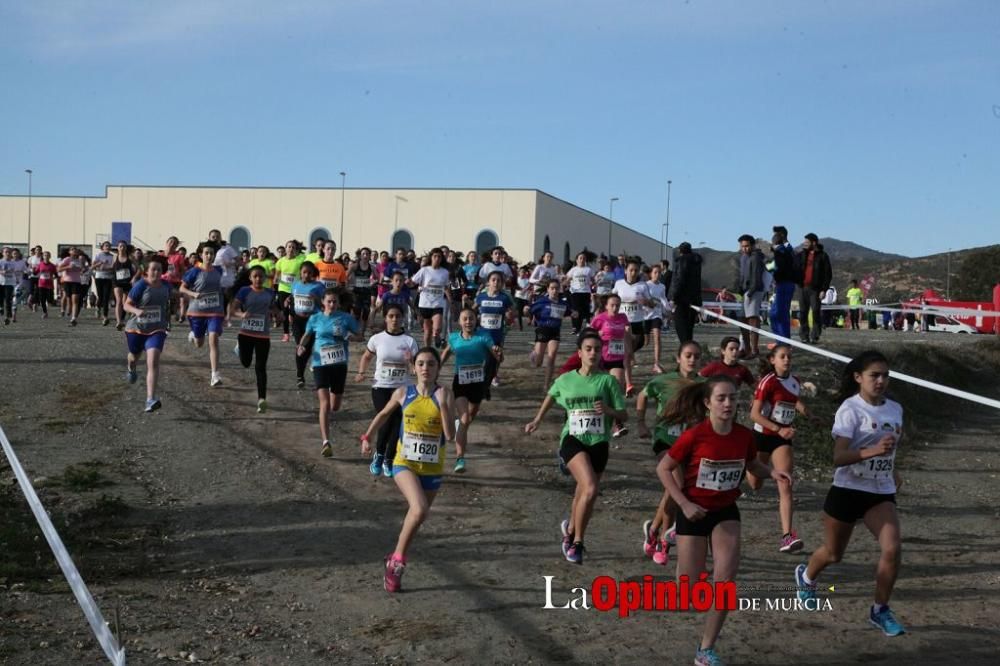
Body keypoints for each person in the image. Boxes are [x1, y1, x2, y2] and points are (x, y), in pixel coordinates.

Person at [658, 376, 790, 666]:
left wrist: (771, 472)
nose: (728, 403)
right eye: (721, 398)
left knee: (725, 582)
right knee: (689, 591)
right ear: (708, 403)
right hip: (693, 512)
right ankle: (676, 542)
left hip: (725, 512)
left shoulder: (744, 436)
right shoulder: (694, 436)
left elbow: (752, 463)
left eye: (732, 397)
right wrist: (683, 504)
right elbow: (664, 468)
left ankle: (705, 650)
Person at [796, 350, 905, 637]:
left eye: (885, 375)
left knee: (892, 548)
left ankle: (880, 610)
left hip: (879, 491)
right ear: (858, 377)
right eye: (874, 375)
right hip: (847, 490)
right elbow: (839, 457)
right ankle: (807, 577)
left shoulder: (895, 409)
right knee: (833, 554)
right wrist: (873, 451)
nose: (880, 381)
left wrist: (892, 470)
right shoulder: (850, 409)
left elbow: (889, 447)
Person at [524, 329, 627, 565]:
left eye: (597, 349)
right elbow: (552, 395)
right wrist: (537, 420)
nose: (593, 353)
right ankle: (577, 542)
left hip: (599, 442)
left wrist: (609, 411)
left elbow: (623, 414)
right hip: (572, 439)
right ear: (579, 353)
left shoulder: (608, 381)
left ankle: (570, 530)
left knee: (585, 493)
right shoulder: (566, 379)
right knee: (590, 487)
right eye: (588, 349)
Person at [360, 347, 456, 593]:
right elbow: (384, 414)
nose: (426, 368)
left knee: (417, 516)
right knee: (420, 508)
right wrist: (367, 436)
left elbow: (449, 435)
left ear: (438, 368)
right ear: (414, 368)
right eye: (421, 363)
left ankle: (394, 558)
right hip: (404, 463)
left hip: (432, 467)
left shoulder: (445, 394)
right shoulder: (404, 392)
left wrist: (443, 406)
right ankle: (398, 563)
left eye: (431, 364)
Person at [637, 340, 703, 565]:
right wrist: (641, 423)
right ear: (678, 358)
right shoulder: (663, 381)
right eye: (688, 355)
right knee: (678, 484)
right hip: (665, 440)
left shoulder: (704, 384)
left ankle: (654, 531)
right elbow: (643, 395)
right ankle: (664, 542)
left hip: (688, 443)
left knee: (672, 489)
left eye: (696, 356)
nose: (692, 360)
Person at [749, 343, 810, 552]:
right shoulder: (767, 382)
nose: (787, 360)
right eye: (782, 356)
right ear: (772, 360)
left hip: (782, 439)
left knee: (785, 482)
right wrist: (778, 428)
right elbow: (754, 414)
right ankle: (751, 467)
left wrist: (808, 413)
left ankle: (787, 536)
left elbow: (793, 400)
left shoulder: (795, 381)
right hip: (762, 436)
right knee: (755, 484)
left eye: (789, 357)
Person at [355, 303, 419, 477]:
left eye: (398, 316)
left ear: (402, 318)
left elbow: (416, 369)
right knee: (386, 421)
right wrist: (361, 372)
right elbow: (366, 357)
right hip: (381, 387)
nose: (394, 319)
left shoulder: (410, 341)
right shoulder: (377, 339)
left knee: (398, 425)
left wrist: (411, 361)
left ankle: (389, 459)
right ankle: (379, 456)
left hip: (403, 389)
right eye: (391, 316)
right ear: (385, 318)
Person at [299, 289, 362, 456]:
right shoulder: (315, 318)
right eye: (329, 301)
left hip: (339, 364)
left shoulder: (346, 318)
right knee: (325, 403)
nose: (332, 304)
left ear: (339, 303)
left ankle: (328, 416)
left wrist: (351, 337)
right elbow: (307, 335)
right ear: (323, 302)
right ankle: (326, 442)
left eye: (335, 301)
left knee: (335, 406)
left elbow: (360, 335)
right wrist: (301, 346)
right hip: (320, 363)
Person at [441, 308, 501, 473]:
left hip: (478, 383)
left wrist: (498, 353)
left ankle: (460, 429)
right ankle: (460, 458)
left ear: (476, 320)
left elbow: (497, 356)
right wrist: (436, 368)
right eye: (465, 319)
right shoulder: (454, 338)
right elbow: (446, 353)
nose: (468, 322)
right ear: (459, 322)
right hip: (460, 382)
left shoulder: (483, 336)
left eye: (471, 319)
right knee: (465, 418)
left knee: (468, 419)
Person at [122, 257, 172, 412]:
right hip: (136, 329)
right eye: (153, 269)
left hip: (157, 329)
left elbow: (174, 296)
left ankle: (150, 399)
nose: (156, 272)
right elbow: (126, 305)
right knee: (134, 356)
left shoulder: (166, 285)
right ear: (147, 271)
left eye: (159, 269)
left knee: (153, 361)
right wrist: (137, 311)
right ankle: (131, 367)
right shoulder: (141, 285)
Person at [230, 265, 278, 413]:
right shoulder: (244, 291)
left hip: (263, 335)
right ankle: (239, 348)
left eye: (261, 276)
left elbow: (274, 308)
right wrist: (241, 314)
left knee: (260, 367)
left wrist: (278, 314)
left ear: (265, 278)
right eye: (255, 276)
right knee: (246, 363)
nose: (258, 279)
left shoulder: (270, 292)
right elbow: (233, 310)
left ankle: (261, 399)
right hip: (246, 334)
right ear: (250, 278)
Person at [180, 244, 226, 387]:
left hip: (215, 311)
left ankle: (215, 375)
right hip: (197, 311)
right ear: (201, 255)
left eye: (211, 253)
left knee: (213, 338)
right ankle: (194, 335)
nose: (209, 256)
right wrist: (193, 294)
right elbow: (182, 288)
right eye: (206, 253)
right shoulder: (194, 271)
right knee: (199, 344)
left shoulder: (219, 270)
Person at [588, 293, 632, 436]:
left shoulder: (623, 317)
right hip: (601, 358)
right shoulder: (600, 318)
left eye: (618, 305)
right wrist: (598, 334)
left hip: (617, 358)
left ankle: (618, 424)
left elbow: (627, 333)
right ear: (606, 306)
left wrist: (629, 350)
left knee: (616, 388)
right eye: (612, 305)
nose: (615, 308)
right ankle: (594, 418)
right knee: (599, 390)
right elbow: (588, 335)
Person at [720, 234, 766, 358]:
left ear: (753, 245)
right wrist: (736, 290)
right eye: (742, 246)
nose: (744, 248)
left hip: (754, 291)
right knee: (742, 319)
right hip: (745, 292)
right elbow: (742, 277)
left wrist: (750, 293)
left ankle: (754, 350)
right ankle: (747, 349)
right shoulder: (743, 258)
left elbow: (756, 277)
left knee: (752, 319)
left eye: (746, 246)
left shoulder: (756, 258)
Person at [526, 279, 572, 391]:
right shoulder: (542, 302)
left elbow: (569, 311)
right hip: (542, 329)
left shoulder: (562, 303)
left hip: (555, 331)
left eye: (557, 288)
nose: (555, 291)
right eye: (552, 288)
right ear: (548, 289)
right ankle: (534, 353)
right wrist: (527, 311)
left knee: (551, 357)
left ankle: (546, 385)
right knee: (538, 362)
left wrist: (574, 313)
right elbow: (530, 311)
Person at [473, 271, 515, 389]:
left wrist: (509, 316)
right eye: (493, 280)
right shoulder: (481, 296)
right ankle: (483, 378)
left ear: (502, 283)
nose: (496, 283)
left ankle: (493, 376)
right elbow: (472, 309)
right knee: (483, 357)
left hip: (497, 334)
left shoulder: (504, 298)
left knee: (494, 358)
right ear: (488, 282)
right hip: (482, 333)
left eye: (499, 281)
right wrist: (466, 302)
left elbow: (512, 313)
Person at [289, 261, 326, 389]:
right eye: (304, 272)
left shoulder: (319, 286)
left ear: (313, 274)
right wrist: (289, 304)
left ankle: (302, 371)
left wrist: (316, 298)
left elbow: (324, 304)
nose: (306, 275)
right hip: (298, 320)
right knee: (300, 346)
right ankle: (300, 375)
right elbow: (293, 299)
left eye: (309, 273)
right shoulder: (295, 284)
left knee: (307, 349)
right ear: (300, 272)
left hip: (312, 320)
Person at [795, 233, 833, 343]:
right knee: (803, 312)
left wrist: (824, 289)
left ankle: (815, 335)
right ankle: (804, 335)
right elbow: (794, 267)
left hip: (815, 289)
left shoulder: (823, 256)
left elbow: (827, 274)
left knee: (816, 312)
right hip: (802, 288)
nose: (804, 244)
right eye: (804, 242)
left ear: (814, 243)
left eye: (807, 242)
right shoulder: (801, 255)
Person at [410, 247, 451, 348]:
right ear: (431, 257)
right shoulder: (424, 270)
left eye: (439, 257)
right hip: (425, 304)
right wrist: (408, 283)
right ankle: (427, 349)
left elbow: (446, 287)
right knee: (427, 331)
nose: (437, 258)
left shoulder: (445, 272)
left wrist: (451, 301)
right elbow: (413, 282)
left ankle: (436, 335)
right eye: (435, 256)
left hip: (438, 304)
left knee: (437, 327)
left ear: (441, 259)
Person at [613, 257, 653, 361]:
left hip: (637, 320)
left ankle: (626, 356)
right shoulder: (619, 283)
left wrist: (646, 302)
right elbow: (611, 298)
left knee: (640, 342)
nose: (633, 273)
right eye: (631, 270)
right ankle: (624, 360)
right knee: (622, 343)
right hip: (622, 319)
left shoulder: (643, 285)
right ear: (625, 271)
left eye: (636, 270)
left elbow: (652, 304)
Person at [668, 242, 703, 344]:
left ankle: (686, 349)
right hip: (694, 299)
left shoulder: (682, 261)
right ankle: (689, 347)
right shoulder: (696, 262)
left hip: (681, 300)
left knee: (680, 327)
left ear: (680, 251)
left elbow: (679, 280)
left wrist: (673, 297)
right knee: (689, 328)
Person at [767, 226, 797, 340]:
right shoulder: (785, 250)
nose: (774, 236)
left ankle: (783, 342)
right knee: (776, 314)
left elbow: (777, 267)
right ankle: (781, 340)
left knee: (779, 314)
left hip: (784, 284)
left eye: (776, 234)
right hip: (784, 284)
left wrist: (766, 264)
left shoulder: (782, 250)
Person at [273, 240, 305, 342]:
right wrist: (276, 283)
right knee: (285, 312)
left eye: (293, 247)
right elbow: (276, 276)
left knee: (294, 312)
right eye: (289, 247)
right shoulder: (281, 261)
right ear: (285, 248)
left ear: (296, 250)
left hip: (295, 290)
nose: (291, 249)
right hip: (283, 289)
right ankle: (286, 334)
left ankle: (295, 330)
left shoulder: (300, 260)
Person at [644, 264, 670, 373]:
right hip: (645, 315)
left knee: (657, 337)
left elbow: (663, 299)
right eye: (655, 272)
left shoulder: (662, 286)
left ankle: (656, 364)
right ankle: (631, 357)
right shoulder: (645, 285)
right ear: (651, 274)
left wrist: (668, 310)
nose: (657, 274)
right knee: (644, 341)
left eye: (659, 272)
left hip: (656, 315)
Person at [564, 252, 595, 334]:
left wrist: (594, 283)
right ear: (577, 260)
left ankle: (579, 328)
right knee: (575, 310)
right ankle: (575, 327)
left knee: (584, 310)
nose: (582, 260)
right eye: (580, 258)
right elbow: (567, 279)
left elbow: (593, 280)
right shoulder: (573, 269)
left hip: (585, 292)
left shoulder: (588, 269)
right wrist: (566, 284)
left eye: (584, 258)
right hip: (575, 292)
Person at [348, 247, 376, 334]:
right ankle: (355, 332)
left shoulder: (372, 267)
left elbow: (377, 278)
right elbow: (345, 276)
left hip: (367, 293)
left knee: (366, 314)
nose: (365, 256)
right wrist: (349, 285)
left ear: (369, 256)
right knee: (356, 313)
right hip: (356, 293)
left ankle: (362, 333)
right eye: (363, 254)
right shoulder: (355, 266)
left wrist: (373, 283)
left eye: (367, 254)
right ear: (360, 255)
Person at [56, 246, 86, 326]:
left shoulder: (79, 260)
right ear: (69, 252)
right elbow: (58, 269)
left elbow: (82, 270)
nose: (74, 251)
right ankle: (67, 311)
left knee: (75, 299)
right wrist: (68, 267)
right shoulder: (67, 259)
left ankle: (74, 318)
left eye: (76, 249)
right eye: (72, 249)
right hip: (67, 281)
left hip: (77, 281)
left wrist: (82, 269)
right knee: (69, 299)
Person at [111, 241, 137, 330]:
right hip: (117, 282)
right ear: (118, 248)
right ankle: (119, 322)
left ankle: (130, 317)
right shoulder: (115, 257)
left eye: (123, 246)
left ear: (126, 248)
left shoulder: (130, 257)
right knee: (118, 301)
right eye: (120, 246)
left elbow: (140, 267)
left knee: (126, 303)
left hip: (127, 282)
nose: (122, 248)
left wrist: (134, 277)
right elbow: (111, 267)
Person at [91, 241, 115, 326]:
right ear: (102, 247)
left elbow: (113, 267)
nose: (107, 247)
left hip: (108, 278)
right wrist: (100, 263)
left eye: (109, 246)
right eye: (106, 246)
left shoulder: (112, 256)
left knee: (106, 297)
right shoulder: (98, 255)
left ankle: (105, 316)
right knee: (100, 296)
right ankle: (97, 307)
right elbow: (93, 266)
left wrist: (105, 268)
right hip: (99, 277)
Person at [33, 251, 57, 318]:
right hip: (41, 284)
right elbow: (35, 273)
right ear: (43, 256)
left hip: (49, 285)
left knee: (49, 300)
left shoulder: (52, 266)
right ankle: (45, 312)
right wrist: (33, 269)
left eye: (47, 255)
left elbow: (56, 275)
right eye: (45, 255)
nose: (46, 257)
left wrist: (53, 278)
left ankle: (49, 303)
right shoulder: (40, 264)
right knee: (42, 299)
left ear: (50, 257)